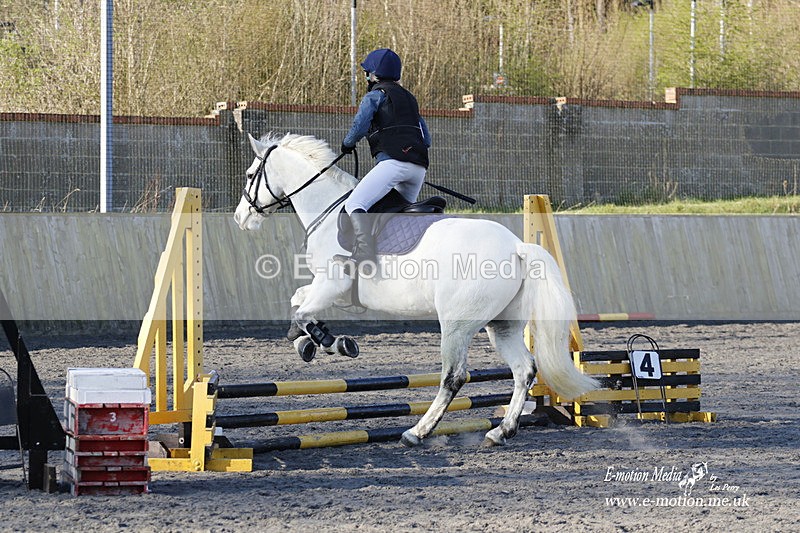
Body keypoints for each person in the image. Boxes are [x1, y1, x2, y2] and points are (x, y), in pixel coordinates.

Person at [338, 48, 431, 265]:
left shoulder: (375, 95)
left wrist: (347, 144)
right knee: (393, 211)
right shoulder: (410, 99)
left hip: (393, 162)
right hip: (419, 168)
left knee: (355, 204)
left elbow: (360, 125)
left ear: (373, 75)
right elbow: (426, 139)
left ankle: (364, 258)